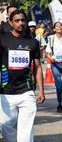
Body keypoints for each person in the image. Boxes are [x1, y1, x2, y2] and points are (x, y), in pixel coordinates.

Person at [0, 9, 45, 142]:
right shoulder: (2, 40)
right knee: (5, 126)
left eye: (23, 20)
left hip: (26, 91)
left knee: (26, 130)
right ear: (11, 22)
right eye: (17, 20)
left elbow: (37, 67)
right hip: (5, 91)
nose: (21, 23)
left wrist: (41, 91)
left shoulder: (33, 43)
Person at [46, 22, 62, 113]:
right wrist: (50, 58)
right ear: (54, 29)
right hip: (55, 65)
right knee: (59, 86)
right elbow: (47, 53)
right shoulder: (51, 38)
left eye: (61, 26)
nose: (59, 27)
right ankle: (59, 104)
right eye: (57, 26)